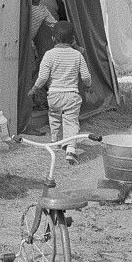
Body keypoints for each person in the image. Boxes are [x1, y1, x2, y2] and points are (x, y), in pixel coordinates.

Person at [28, 20, 92, 164]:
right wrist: (88, 85)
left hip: (54, 95)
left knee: (54, 117)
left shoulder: (49, 55)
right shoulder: (77, 56)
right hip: (71, 95)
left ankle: (55, 141)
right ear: (73, 40)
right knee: (71, 121)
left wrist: (35, 88)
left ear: (53, 39)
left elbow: (43, 77)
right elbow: (86, 76)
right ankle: (70, 149)